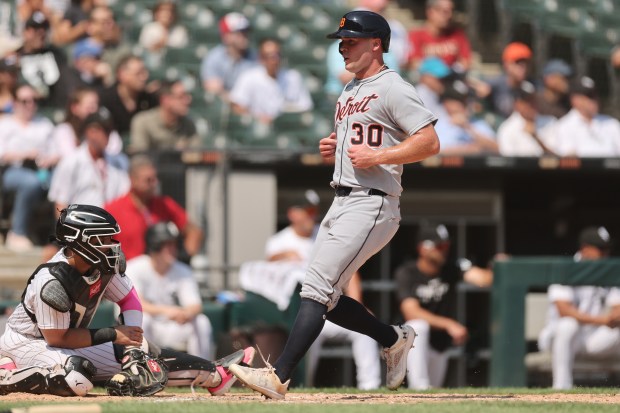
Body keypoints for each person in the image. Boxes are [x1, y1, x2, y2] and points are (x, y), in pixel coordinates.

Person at [229, 11, 440, 400]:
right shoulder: (348, 91)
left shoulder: (393, 86)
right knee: (322, 294)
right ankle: (393, 337)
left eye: (351, 41)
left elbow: (429, 141)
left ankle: (278, 377)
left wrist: (381, 156)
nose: (343, 48)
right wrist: (335, 146)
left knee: (316, 289)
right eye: (341, 42)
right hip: (341, 198)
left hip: (373, 202)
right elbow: (360, 136)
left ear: (376, 44)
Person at [0, 204, 255, 397]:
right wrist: (114, 333)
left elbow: (130, 300)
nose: (113, 245)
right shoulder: (52, 281)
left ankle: (215, 374)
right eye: (105, 239)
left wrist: (133, 345)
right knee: (77, 375)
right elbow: (58, 338)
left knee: (142, 358)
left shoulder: (102, 264)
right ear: (82, 242)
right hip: (27, 341)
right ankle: (6, 374)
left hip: (67, 340)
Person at [264, 190, 381, 390]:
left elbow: (351, 272)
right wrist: (282, 256)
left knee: (364, 331)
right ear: (293, 213)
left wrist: (358, 307)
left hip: (333, 307)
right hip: (300, 312)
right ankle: (302, 386)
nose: (311, 215)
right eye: (306, 210)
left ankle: (370, 386)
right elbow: (269, 275)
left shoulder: (326, 233)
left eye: (313, 210)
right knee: (307, 333)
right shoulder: (279, 242)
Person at [394, 224, 492, 389]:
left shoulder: (451, 268)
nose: (444, 250)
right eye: (439, 246)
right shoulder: (407, 272)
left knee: (433, 394)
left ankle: (421, 389)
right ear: (423, 249)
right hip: (407, 346)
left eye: (446, 245)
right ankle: (419, 386)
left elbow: (483, 280)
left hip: (439, 344)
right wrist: (449, 324)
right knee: (418, 326)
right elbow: (411, 312)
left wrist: (498, 266)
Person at [537, 226, 620, 390]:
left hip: (591, 339)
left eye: (607, 250)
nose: (605, 254)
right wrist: (603, 320)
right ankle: (562, 387)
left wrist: (614, 317)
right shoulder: (566, 269)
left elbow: (617, 305)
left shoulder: (607, 272)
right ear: (585, 248)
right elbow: (564, 310)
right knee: (568, 325)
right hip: (558, 338)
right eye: (601, 249)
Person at [126, 222, 213, 360]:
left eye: (175, 244)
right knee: (143, 320)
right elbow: (136, 304)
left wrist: (186, 313)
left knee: (201, 322)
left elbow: (196, 305)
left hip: (172, 326)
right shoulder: (135, 267)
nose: (173, 249)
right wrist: (167, 310)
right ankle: (140, 368)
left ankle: (203, 369)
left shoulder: (183, 270)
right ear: (155, 245)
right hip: (145, 326)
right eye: (168, 245)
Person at [105, 155, 204, 261]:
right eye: (148, 180)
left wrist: (183, 260)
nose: (154, 183)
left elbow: (194, 231)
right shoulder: (113, 210)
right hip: (126, 273)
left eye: (155, 178)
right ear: (133, 179)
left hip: (161, 274)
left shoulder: (165, 205)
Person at [0, 83, 56, 252]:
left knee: (62, 183)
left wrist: (49, 159)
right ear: (15, 103)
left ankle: (61, 235)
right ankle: (18, 232)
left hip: (43, 170)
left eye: (33, 100)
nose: (30, 104)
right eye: (24, 101)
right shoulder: (5, 124)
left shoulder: (44, 124)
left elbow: (57, 151)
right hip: (12, 171)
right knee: (30, 183)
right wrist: (25, 155)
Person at [47, 107, 130, 213]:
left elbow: (126, 196)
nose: (106, 135)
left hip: (113, 224)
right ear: (89, 132)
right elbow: (61, 204)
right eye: (101, 130)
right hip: (80, 225)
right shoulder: (71, 161)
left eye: (108, 130)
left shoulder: (120, 161)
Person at [230, 38, 313, 124]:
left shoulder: (293, 77)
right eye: (270, 56)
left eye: (277, 55)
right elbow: (237, 106)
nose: (275, 60)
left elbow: (306, 106)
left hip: (288, 126)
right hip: (258, 127)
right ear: (261, 58)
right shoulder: (249, 77)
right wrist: (257, 117)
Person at [50, 86, 125, 167]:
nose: (95, 110)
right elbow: (69, 158)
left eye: (97, 105)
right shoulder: (63, 130)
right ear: (75, 108)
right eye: (90, 106)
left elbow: (113, 152)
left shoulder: (106, 130)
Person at [551, 76, 620, 157]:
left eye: (595, 95)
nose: (594, 100)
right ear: (575, 99)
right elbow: (568, 159)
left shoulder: (611, 123)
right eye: (589, 96)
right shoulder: (564, 126)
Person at [129, 80, 199, 153]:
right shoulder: (143, 122)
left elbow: (196, 156)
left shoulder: (188, 124)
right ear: (165, 100)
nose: (187, 100)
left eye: (187, 96)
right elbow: (140, 157)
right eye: (181, 97)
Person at [200, 12, 257, 101]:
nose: (244, 36)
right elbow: (213, 89)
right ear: (225, 36)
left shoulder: (255, 57)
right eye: (239, 33)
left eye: (246, 32)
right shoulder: (214, 58)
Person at [434, 79, 498, 155]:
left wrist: (468, 128)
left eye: (468, 100)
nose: (466, 104)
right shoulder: (438, 124)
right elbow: (436, 153)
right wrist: (470, 149)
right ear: (447, 103)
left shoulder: (478, 123)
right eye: (461, 101)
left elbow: (497, 148)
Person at [100, 55, 158, 136]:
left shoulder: (149, 99)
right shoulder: (105, 99)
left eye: (144, 72)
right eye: (139, 73)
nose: (144, 77)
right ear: (122, 74)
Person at [407, 0, 472, 72]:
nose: (449, 16)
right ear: (430, 12)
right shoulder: (416, 35)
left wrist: (453, 70)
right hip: (424, 79)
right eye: (445, 12)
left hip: (451, 79)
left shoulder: (457, 35)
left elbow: (465, 62)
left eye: (451, 11)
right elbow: (413, 63)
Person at [497, 80, 557, 157]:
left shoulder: (550, 122)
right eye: (526, 101)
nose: (531, 105)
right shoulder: (507, 129)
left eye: (533, 100)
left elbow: (558, 159)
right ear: (516, 104)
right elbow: (508, 163)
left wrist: (536, 138)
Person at [484, 42, 533, 119]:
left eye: (526, 63)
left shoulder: (530, 88)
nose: (523, 67)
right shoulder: (496, 84)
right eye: (518, 63)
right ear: (506, 64)